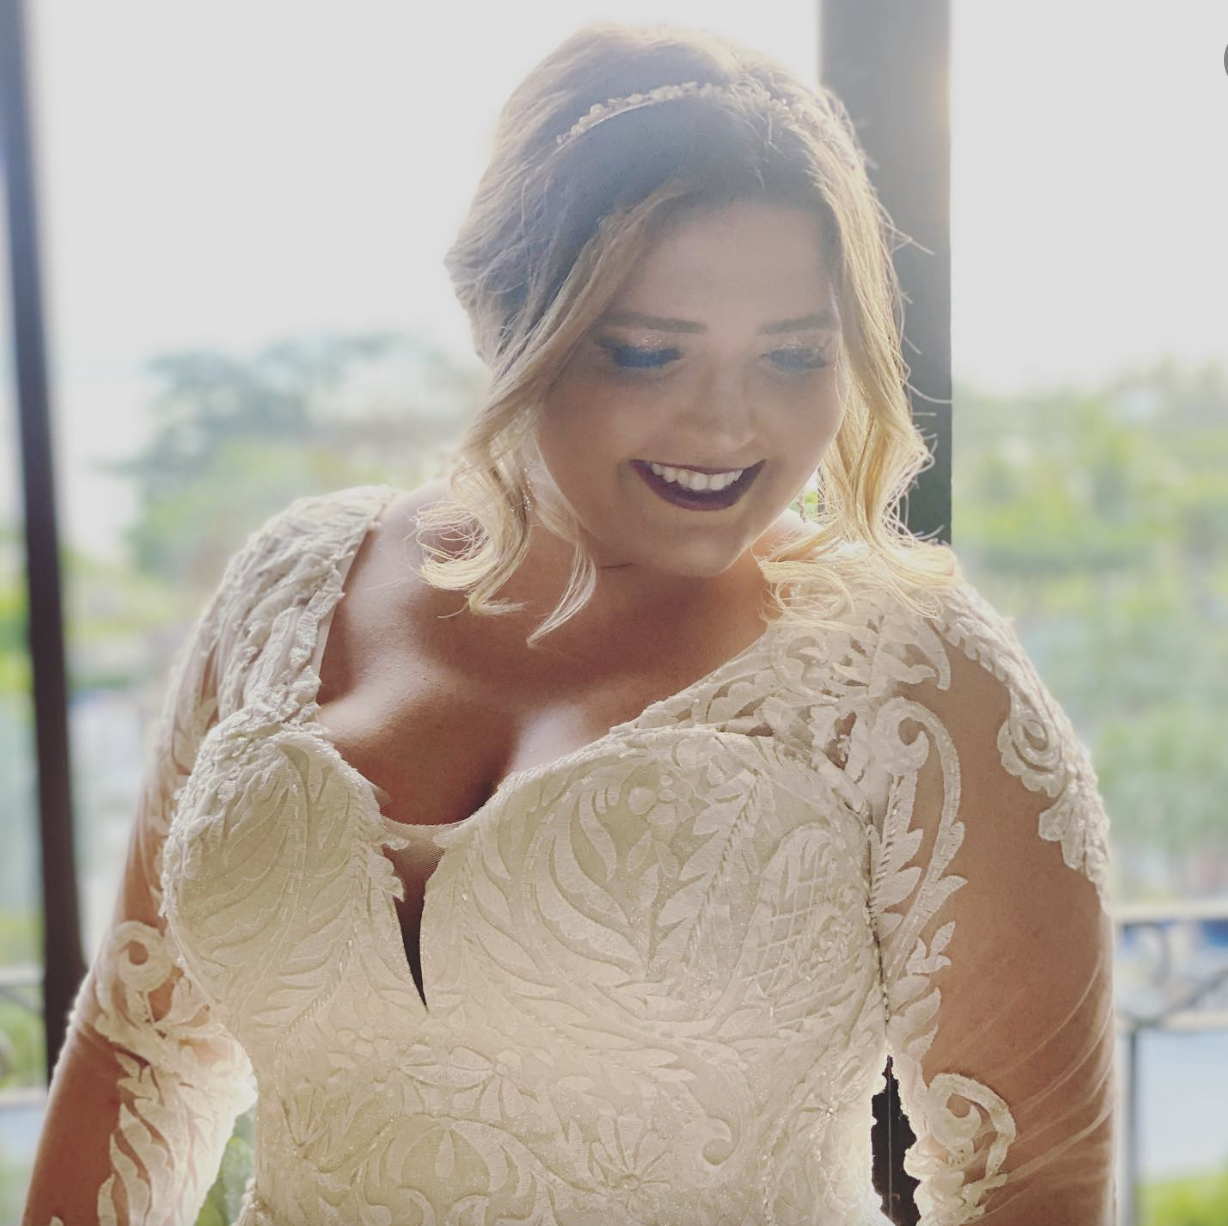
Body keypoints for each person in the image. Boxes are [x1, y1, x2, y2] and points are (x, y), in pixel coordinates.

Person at [24, 20, 1118, 1226]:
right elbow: (143, 1055)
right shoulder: (290, 584)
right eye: (645, 353)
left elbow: (1033, 1182)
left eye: (794, 355)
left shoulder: (916, 669)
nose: (726, 425)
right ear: (496, 316)